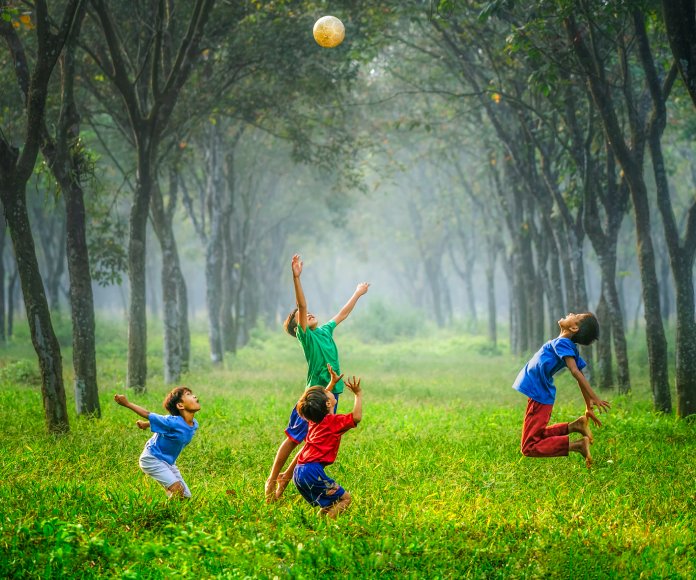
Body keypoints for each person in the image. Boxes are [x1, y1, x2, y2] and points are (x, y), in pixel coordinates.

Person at [265, 253, 369, 501]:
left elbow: (342, 314)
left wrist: (357, 293)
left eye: (309, 313)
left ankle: (285, 481)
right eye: (301, 316)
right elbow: (301, 305)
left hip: (332, 394)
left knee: (314, 440)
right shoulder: (307, 337)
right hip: (314, 396)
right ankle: (272, 479)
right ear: (297, 327)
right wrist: (296, 277)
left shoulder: (324, 331)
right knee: (293, 438)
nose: (308, 313)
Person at [513, 312, 610, 468]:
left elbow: (575, 371)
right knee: (537, 435)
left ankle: (577, 446)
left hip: (539, 395)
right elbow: (579, 373)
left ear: (574, 327)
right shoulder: (564, 344)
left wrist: (594, 397)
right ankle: (574, 426)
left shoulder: (563, 343)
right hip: (539, 394)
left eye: (576, 315)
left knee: (529, 446)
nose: (571, 313)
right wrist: (588, 405)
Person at [291, 364, 362, 518]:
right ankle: (327, 528)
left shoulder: (314, 419)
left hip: (299, 472)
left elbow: (321, 401)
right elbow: (356, 417)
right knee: (345, 499)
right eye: (326, 392)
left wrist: (332, 382)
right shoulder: (333, 422)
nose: (328, 391)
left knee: (330, 503)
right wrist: (357, 394)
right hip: (311, 472)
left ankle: (319, 524)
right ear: (328, 403)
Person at [114, 387, 201, 498]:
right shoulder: (172, 422)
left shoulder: (194, 424)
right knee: (178, 490)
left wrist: (146, 424)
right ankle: (163, 512)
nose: (194, 396)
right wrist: (127, 403)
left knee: (185, 496)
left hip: (168, 463)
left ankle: (171, 499)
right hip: (152, 458)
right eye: (188, 394)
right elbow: (148, 414)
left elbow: (163, 423)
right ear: (180, 405)